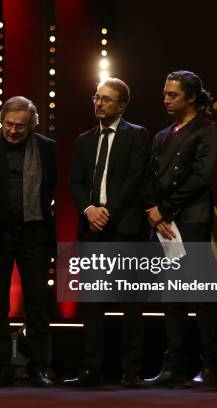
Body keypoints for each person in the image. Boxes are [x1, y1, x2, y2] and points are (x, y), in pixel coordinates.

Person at [65, 78, 150, 387]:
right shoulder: (84, 140)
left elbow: (134, 179)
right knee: (93, 303)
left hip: (124, 229)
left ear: (122, 106)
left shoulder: (137, 136)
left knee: (130, 303)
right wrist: (89, 210)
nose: (98, 104)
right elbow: (74, 182)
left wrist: (107, 210)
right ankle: (91, 369)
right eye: (96, 98)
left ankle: (131, 371)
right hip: (92, 230)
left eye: (106, 100)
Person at [143, 70, 217, 387]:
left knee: (201, 296)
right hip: (166, 223)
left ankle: (212, 366)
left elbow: (201, 176)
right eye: (164, 94)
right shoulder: (163, 135)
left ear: (191, 97)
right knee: (172, 296)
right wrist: (154, 211)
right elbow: (150, 176)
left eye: (172, 94)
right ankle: (173, 365)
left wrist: (165, 208)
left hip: (191, 219)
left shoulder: (207, 131)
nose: (166, 99)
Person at [0, 96, 57, 387]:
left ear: (32, 126)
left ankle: (39, 367)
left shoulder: (47, 148)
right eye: (8, 124)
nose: (13, 131)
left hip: (34, 234)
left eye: (20, 127)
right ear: (1, 120)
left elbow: (50, 188)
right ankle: (1, 367)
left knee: (37, 303)